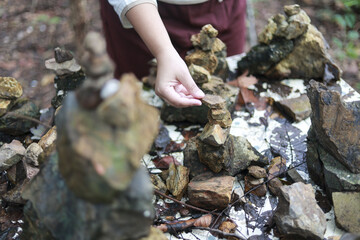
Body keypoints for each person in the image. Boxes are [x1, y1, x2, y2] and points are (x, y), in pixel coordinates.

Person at [99, 0, 247, 107]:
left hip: (225, 8)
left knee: (231, 88)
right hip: (142, 15)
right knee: (140, 102)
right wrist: (163, 51)